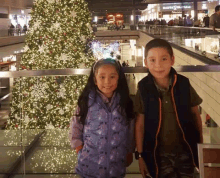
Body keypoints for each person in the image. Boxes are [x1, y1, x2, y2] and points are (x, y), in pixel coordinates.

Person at [135, 39, 203, 178]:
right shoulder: (143, 88)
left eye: (164, 59)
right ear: (145, 62)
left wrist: (200, 147)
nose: (158, 65)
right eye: (152, 60)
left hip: (186, 150)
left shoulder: (183, 83)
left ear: (172, 60)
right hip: (157, 154)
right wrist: (140, 155)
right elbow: (140, 124)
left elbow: (195, 115)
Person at [69, 58, 135, 178]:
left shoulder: (125, 103)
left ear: (119, 78)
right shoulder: (86, 102)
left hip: (116, 168)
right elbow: (76, 126)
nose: (107, 82)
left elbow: (130, 130)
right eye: (102, 77)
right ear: (95, 79)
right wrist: (79, 150)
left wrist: (130, 150)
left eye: (112, 77)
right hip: (89, 167)